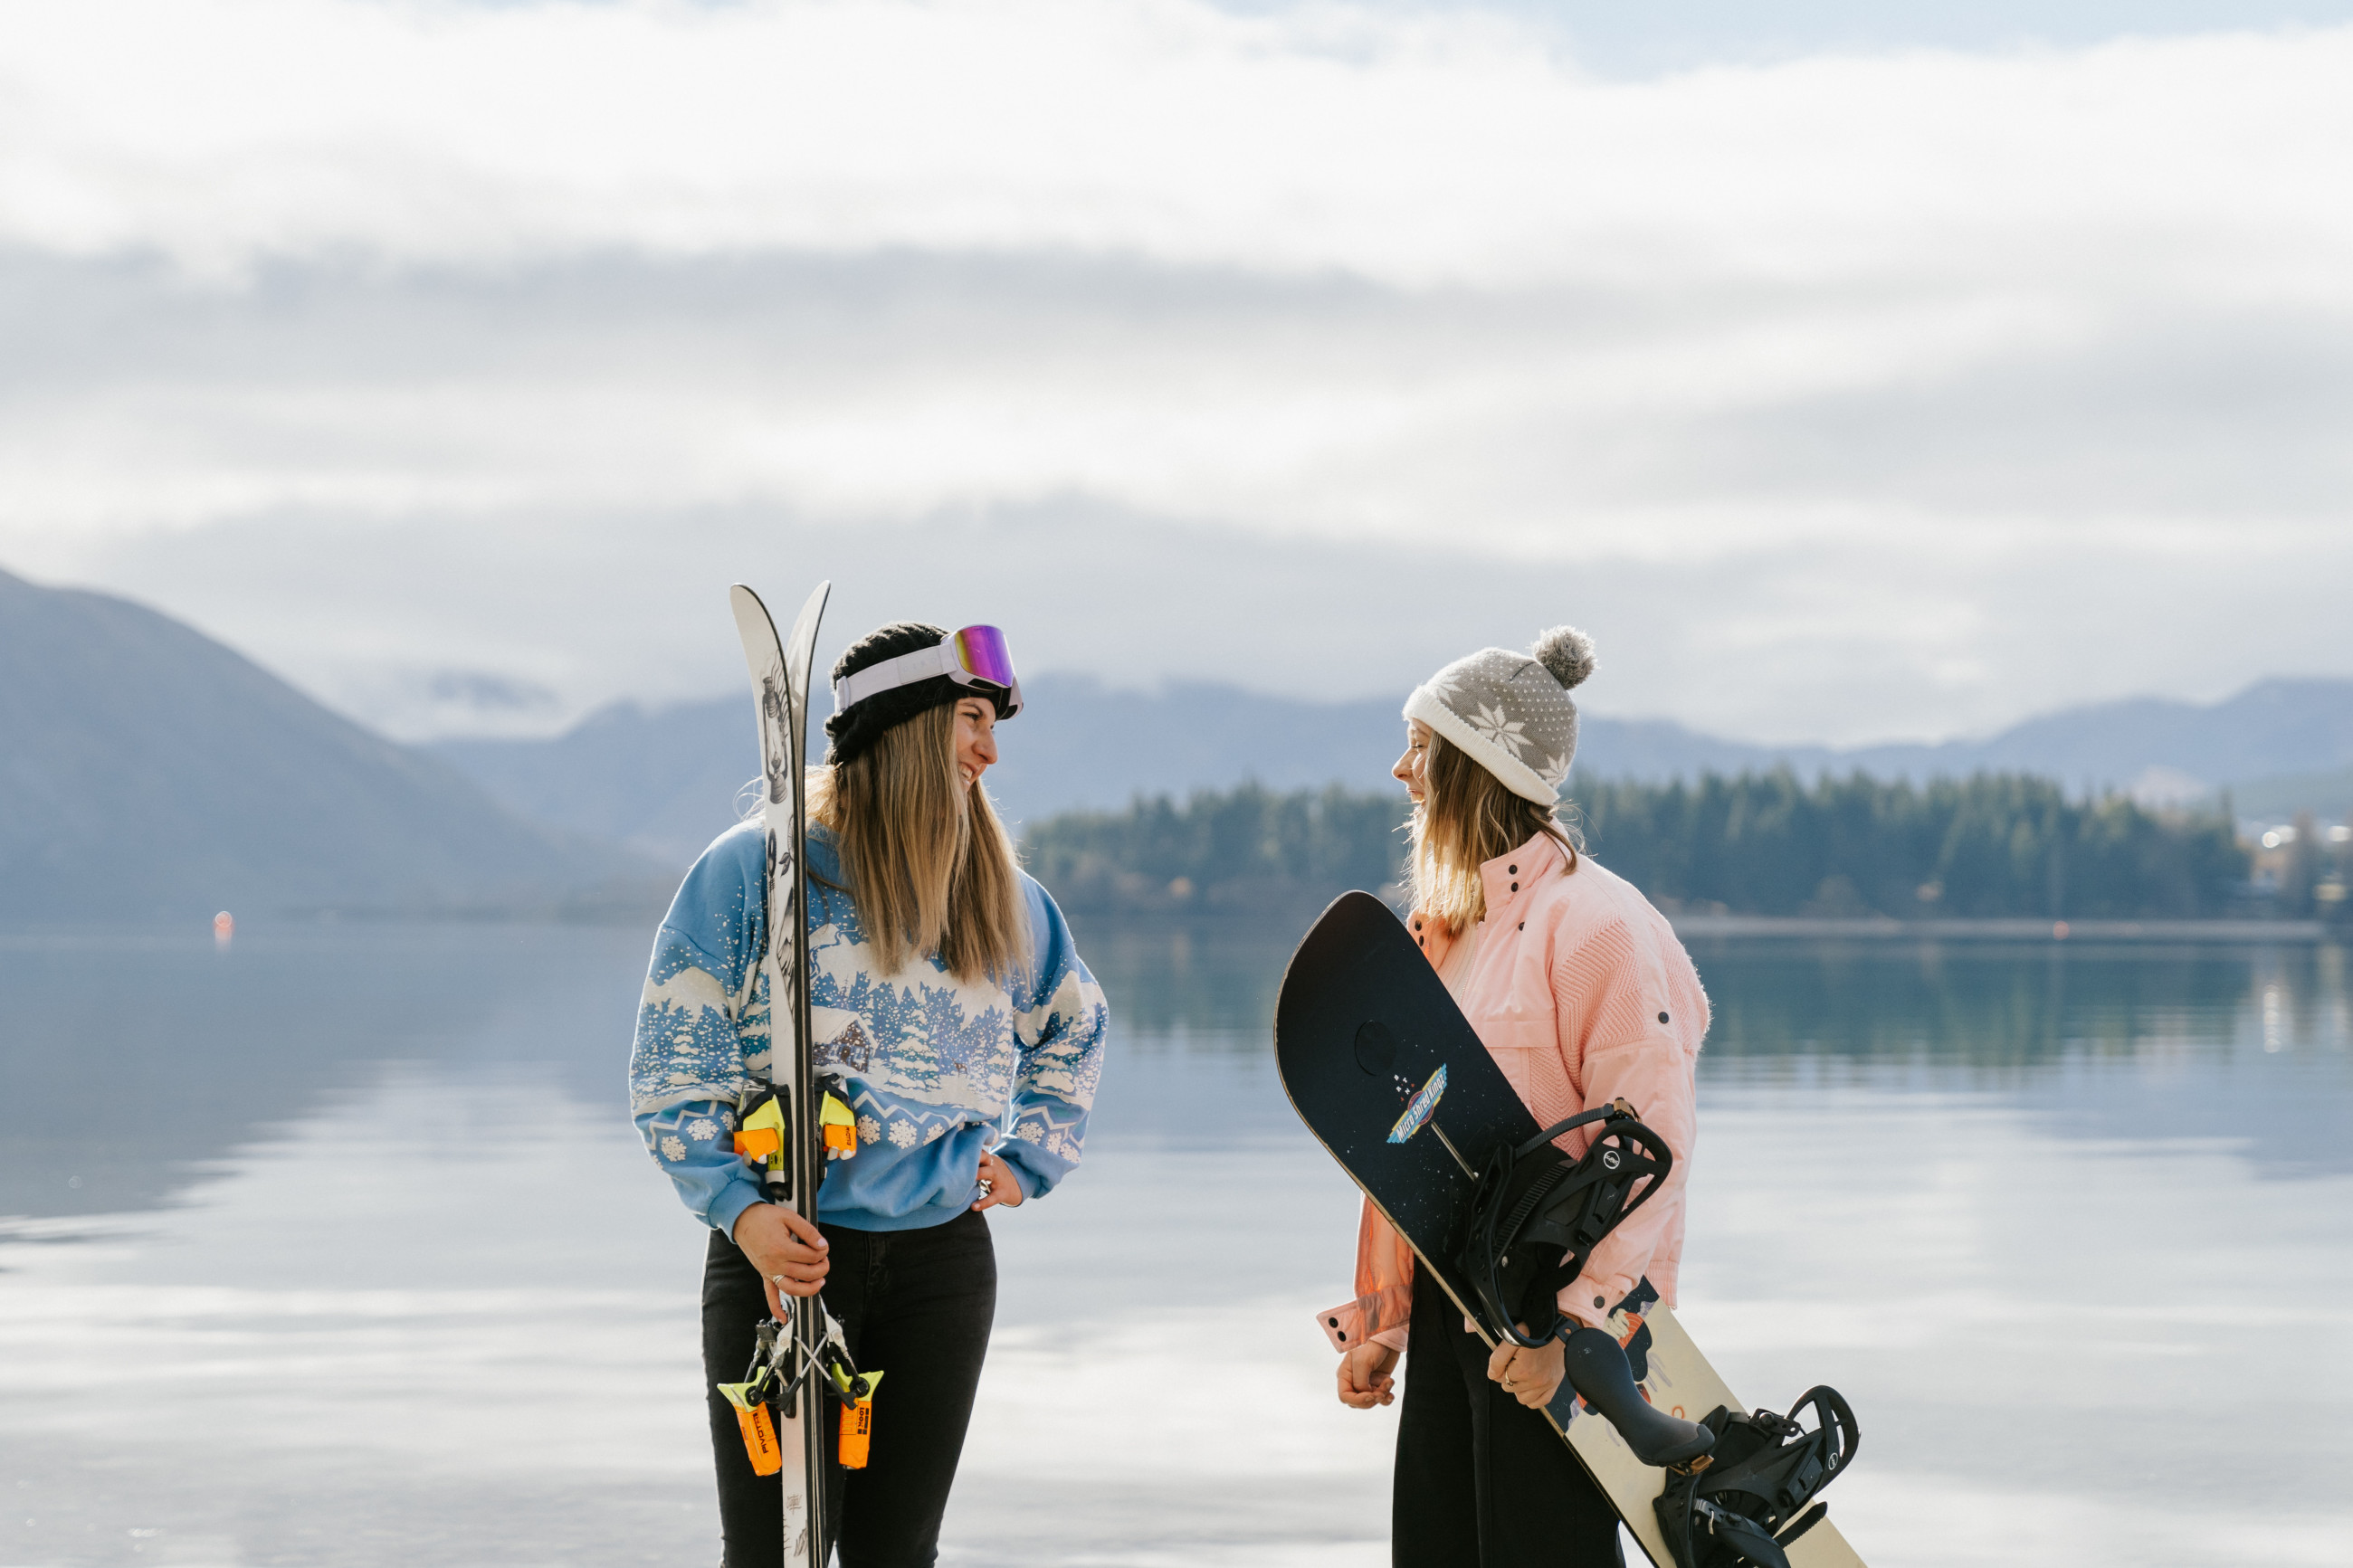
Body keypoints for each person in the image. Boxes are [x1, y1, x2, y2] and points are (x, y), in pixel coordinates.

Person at [627, 620, 1109, 1567]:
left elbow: (1075, 1025)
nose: (989, 748)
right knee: (773, 1555)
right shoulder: (753, 873)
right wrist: (737, 1210)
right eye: (970, 717)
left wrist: (1026, 1159)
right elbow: (672, 1063)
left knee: (899, 1555)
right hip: (788, 1254)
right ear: (903, 730)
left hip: (942, 1268)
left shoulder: (999, 896)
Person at [1321, 625, 1709, 1567]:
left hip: (1547, 1322)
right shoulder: (1454, 928)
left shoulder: (1598, 926)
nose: (1399, 770)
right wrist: (1384, 1316)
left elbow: (1647, 1142)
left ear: (1471, 766)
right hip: (1460, 1307)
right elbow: (1413, 1142)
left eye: (1420, 748)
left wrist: (1573, 1331)